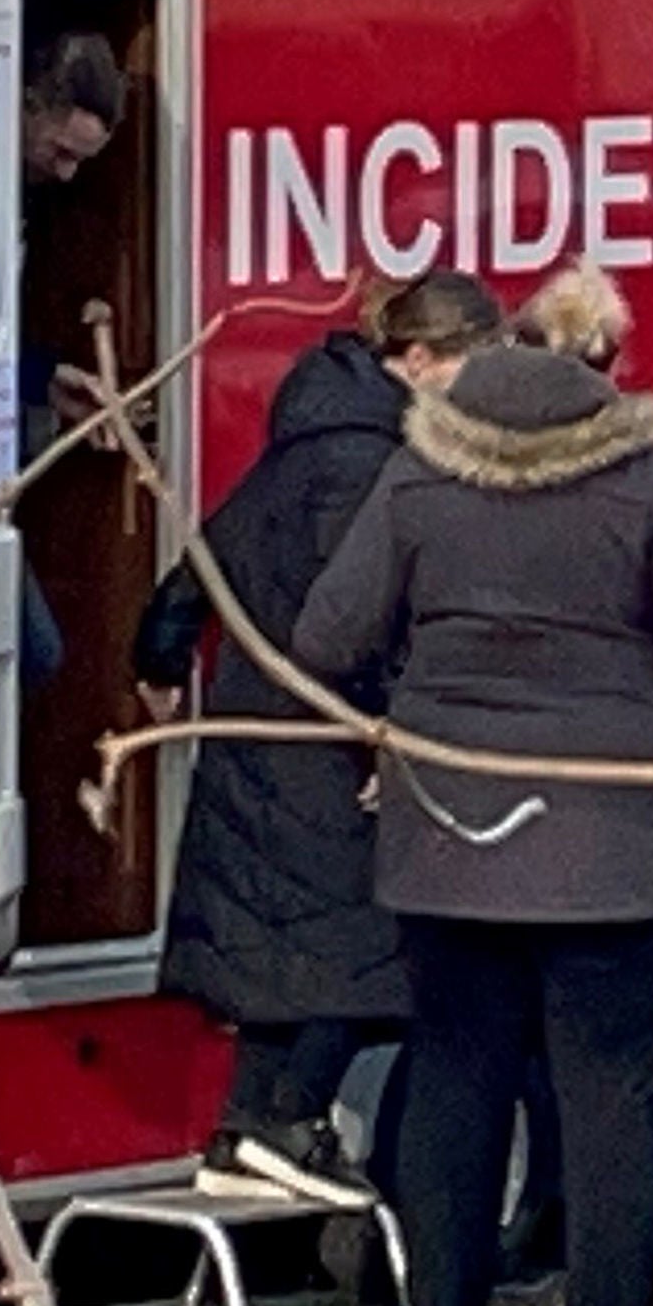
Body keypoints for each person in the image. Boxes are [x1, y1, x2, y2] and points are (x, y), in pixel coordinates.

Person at [294, 333, 653, 1306]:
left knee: (456, 1080)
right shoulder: (645, 474)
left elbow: (328, 632)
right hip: (612, 839)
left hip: (447, 822)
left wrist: (407, 707)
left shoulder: (420, 471)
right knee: (610, 1093)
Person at [132, 271, 504, 1210]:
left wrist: (159, 657)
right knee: (373, 947)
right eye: (473, 367)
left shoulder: (314, 439)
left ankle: (248, 1129)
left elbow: (206, 557)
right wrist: (388, 729)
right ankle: (287, 1116)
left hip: (264, 734)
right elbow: (359, 616)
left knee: (289, 952)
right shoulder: (368, 462)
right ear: (417, 361)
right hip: (321, 743)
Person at [6, 30, 131, 687]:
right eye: (60, 152)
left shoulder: (19, 197)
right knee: (38, 653)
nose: (66, 175)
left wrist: (39, 379)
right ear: (24, 104)